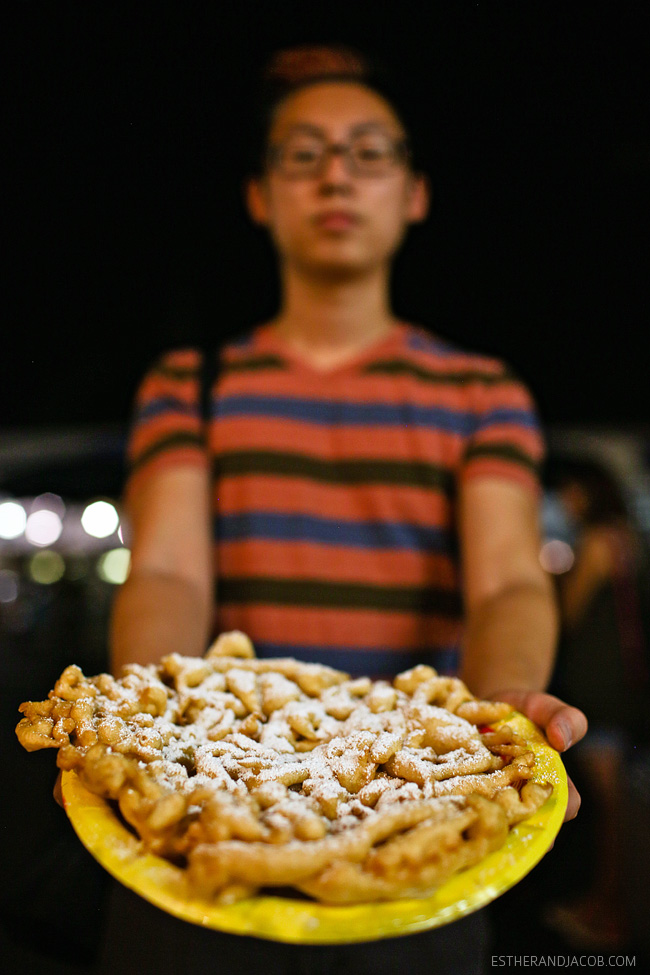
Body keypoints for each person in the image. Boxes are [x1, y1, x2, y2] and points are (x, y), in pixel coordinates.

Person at [100, 45, 587, 974]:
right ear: (259, 196)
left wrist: (495, 724)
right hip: (222, 796)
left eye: (370, 153)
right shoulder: (190, 386)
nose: (336, 174)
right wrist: (152, 733)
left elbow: (508, 583)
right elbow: (163, 571)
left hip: (411, 810)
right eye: (304, 153)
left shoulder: (480, 390)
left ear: (414, 194)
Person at [543, 455, 650, 949]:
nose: (565, 502)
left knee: (606, 804)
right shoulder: (627, 535)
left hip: (597, 683)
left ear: (585, 491)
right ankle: (614, 905)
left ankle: (608, 910)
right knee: (615, 800)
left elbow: (569, 613)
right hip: (622, 683)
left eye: (569, 492)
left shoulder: (596, 541)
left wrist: (551, 575)